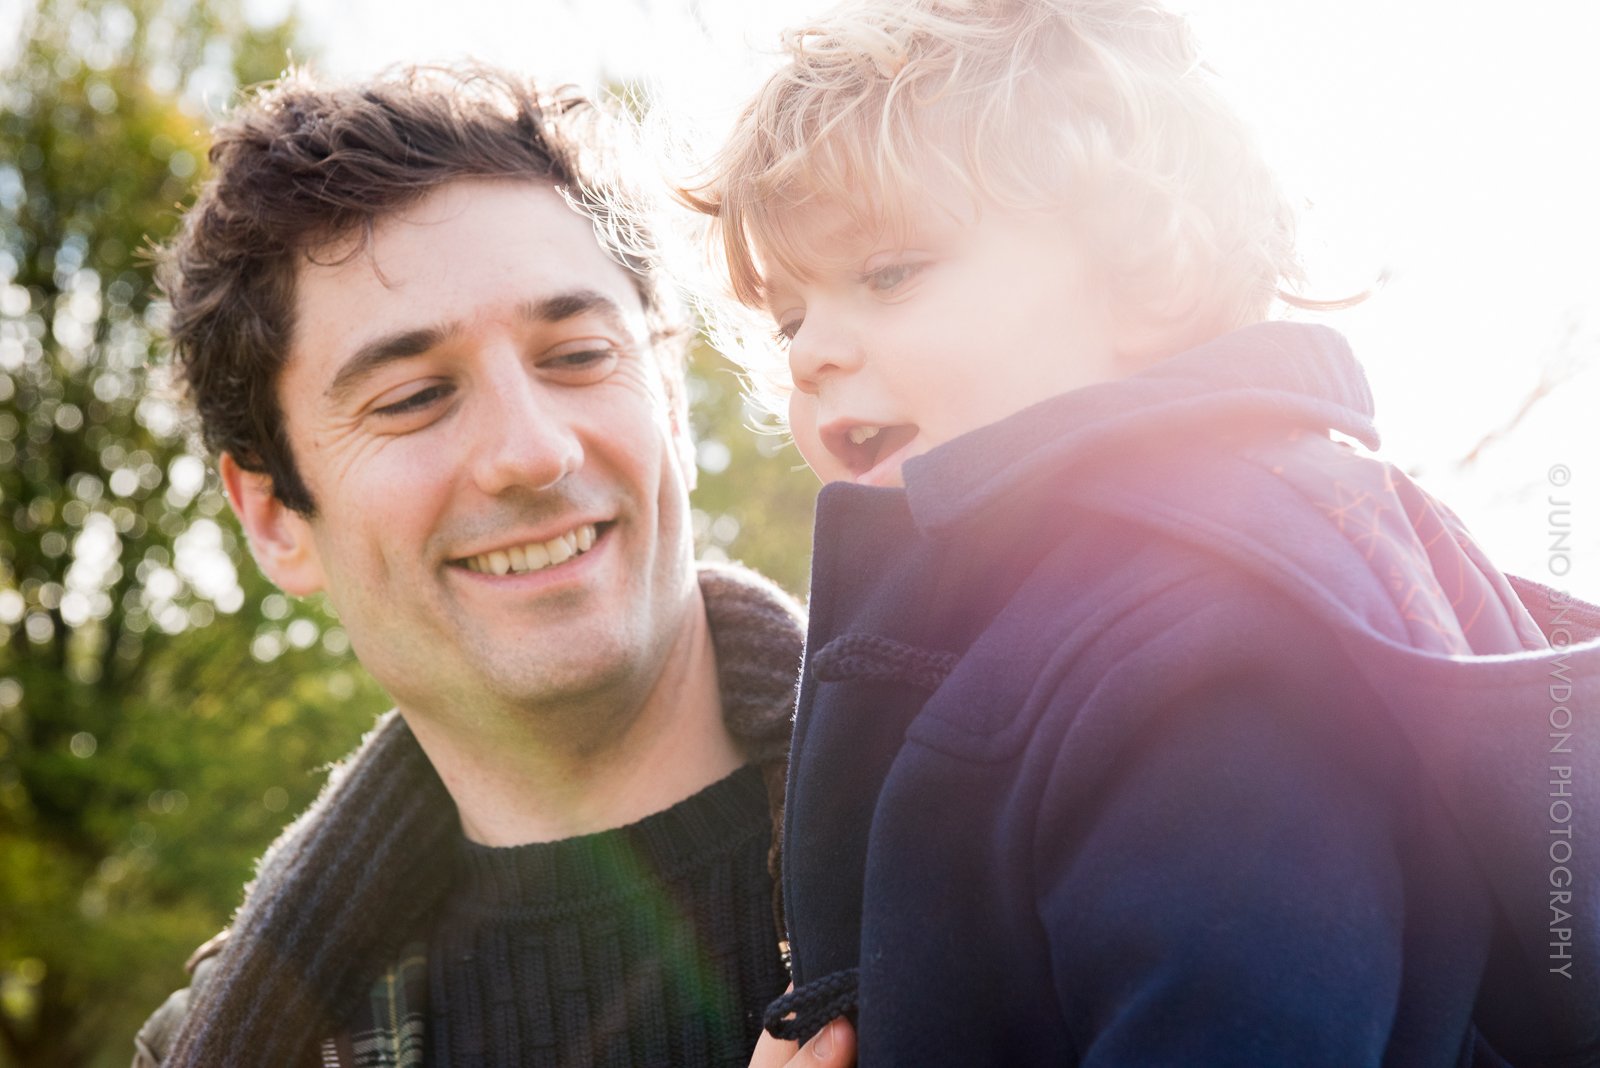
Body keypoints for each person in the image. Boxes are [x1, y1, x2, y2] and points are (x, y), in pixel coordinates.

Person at [681, 0, 1600, 1063]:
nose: (808, 356)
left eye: (889, 274)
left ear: (1146, 274)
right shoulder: (1049, 629)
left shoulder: (1202, 647)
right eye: (789, 318)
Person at [133, 64, 853, 1068]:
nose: (532, 452)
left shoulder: (1015, 839)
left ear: (674, 407)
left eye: (576, 355)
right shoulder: (217, 1049)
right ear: (273, 517)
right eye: (413, 397)